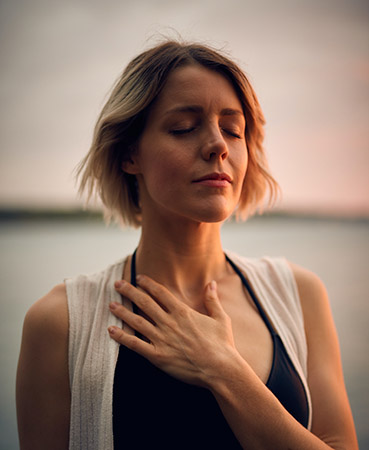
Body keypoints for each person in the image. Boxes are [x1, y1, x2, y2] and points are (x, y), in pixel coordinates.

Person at [16, 40, 358, 450]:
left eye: (233, 130)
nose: (218, 145)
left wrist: (224, 370)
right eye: (184, 127)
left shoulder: (299, 295)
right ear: (130, 155)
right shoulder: (60, 323)